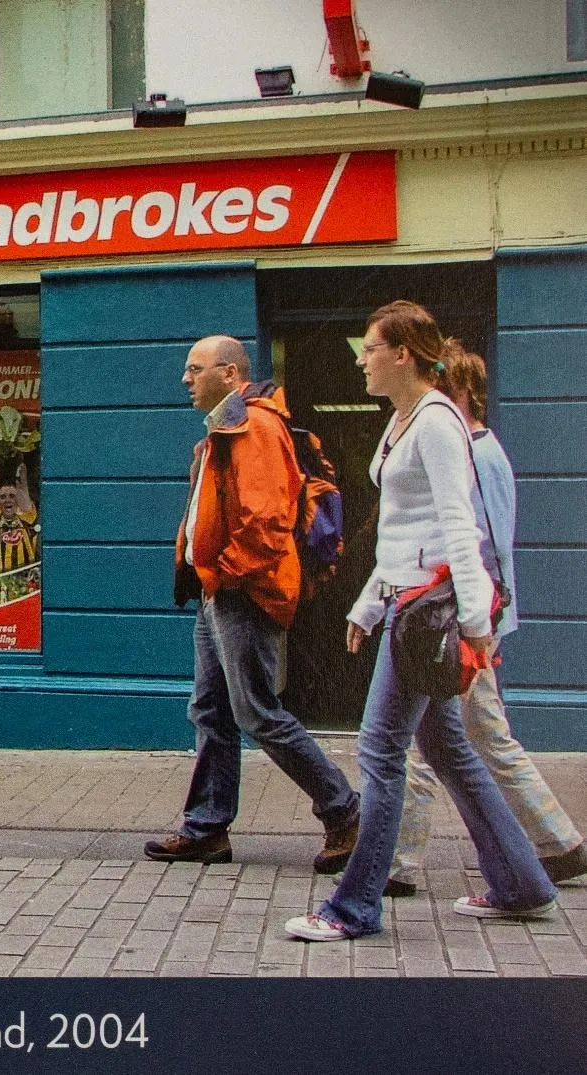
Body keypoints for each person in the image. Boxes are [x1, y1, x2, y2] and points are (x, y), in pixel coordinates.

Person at [286, 302, 558, 942]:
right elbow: (404, 531)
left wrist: (473, 622)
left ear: (403, 353)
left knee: (382, 751)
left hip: (425, 615)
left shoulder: (436, 421)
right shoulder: (402, 420)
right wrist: (367, 603)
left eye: (371, 348)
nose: (361, 359)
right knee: (448, 750)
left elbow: (457, 530)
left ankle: (353, 909)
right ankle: (521, 884)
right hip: (406, 603)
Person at [147, 335, 360, 871]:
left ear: (228, 371)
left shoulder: (254, 426)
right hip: (217, 592)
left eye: (194, 369)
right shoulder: (224, 429)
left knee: (256, 712)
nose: (185, 379)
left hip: (243, 591)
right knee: (212, 709)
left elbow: (266, 524)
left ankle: (345, 810)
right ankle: (206, 829)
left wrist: (222, 573)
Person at [386, 342, 586, 895]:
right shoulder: (477, 448)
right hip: (466, 616)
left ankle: (398, 862)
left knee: (425, 743)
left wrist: (481, 623)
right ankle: (558, 843)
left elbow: (489, 544)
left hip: (457, 621)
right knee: (482, 736)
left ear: (459, 393)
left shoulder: (475, 454)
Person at [0, 456, 39, 574]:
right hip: (0, 582)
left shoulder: (27, 518)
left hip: (27, 582)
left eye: (12, 496)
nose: (8, 500)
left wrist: (21, 446)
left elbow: (22, 486)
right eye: (3, 497)